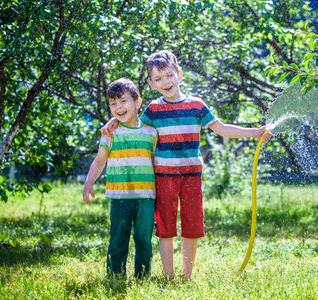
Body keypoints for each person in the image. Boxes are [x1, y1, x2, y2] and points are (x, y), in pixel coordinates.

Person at [102, 50, 272, 280]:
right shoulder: (153, 109)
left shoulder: (197, 105)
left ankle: (187, 276)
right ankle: (169, 276)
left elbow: (221, 128)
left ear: (179, 74)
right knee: (165, 227)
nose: (166, 82)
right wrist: (116, 119)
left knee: (191, 225)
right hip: (163, 176)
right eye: (159, 79)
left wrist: (255, 132)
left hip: (192, 175)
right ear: (152, 83)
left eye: (169, 75)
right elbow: (135, 124)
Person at [83, 78, 157, 279]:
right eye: (113, 104)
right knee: (117, 239)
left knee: (144, 239)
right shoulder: (110, 132)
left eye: (123, 101)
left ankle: (143, 277)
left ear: (137, 102)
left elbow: (156, 163)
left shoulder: (151, 133)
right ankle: (115, 275)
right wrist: (89, 182)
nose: (118, 107)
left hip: (146, 197)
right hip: (119, 196)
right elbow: (100, 160)